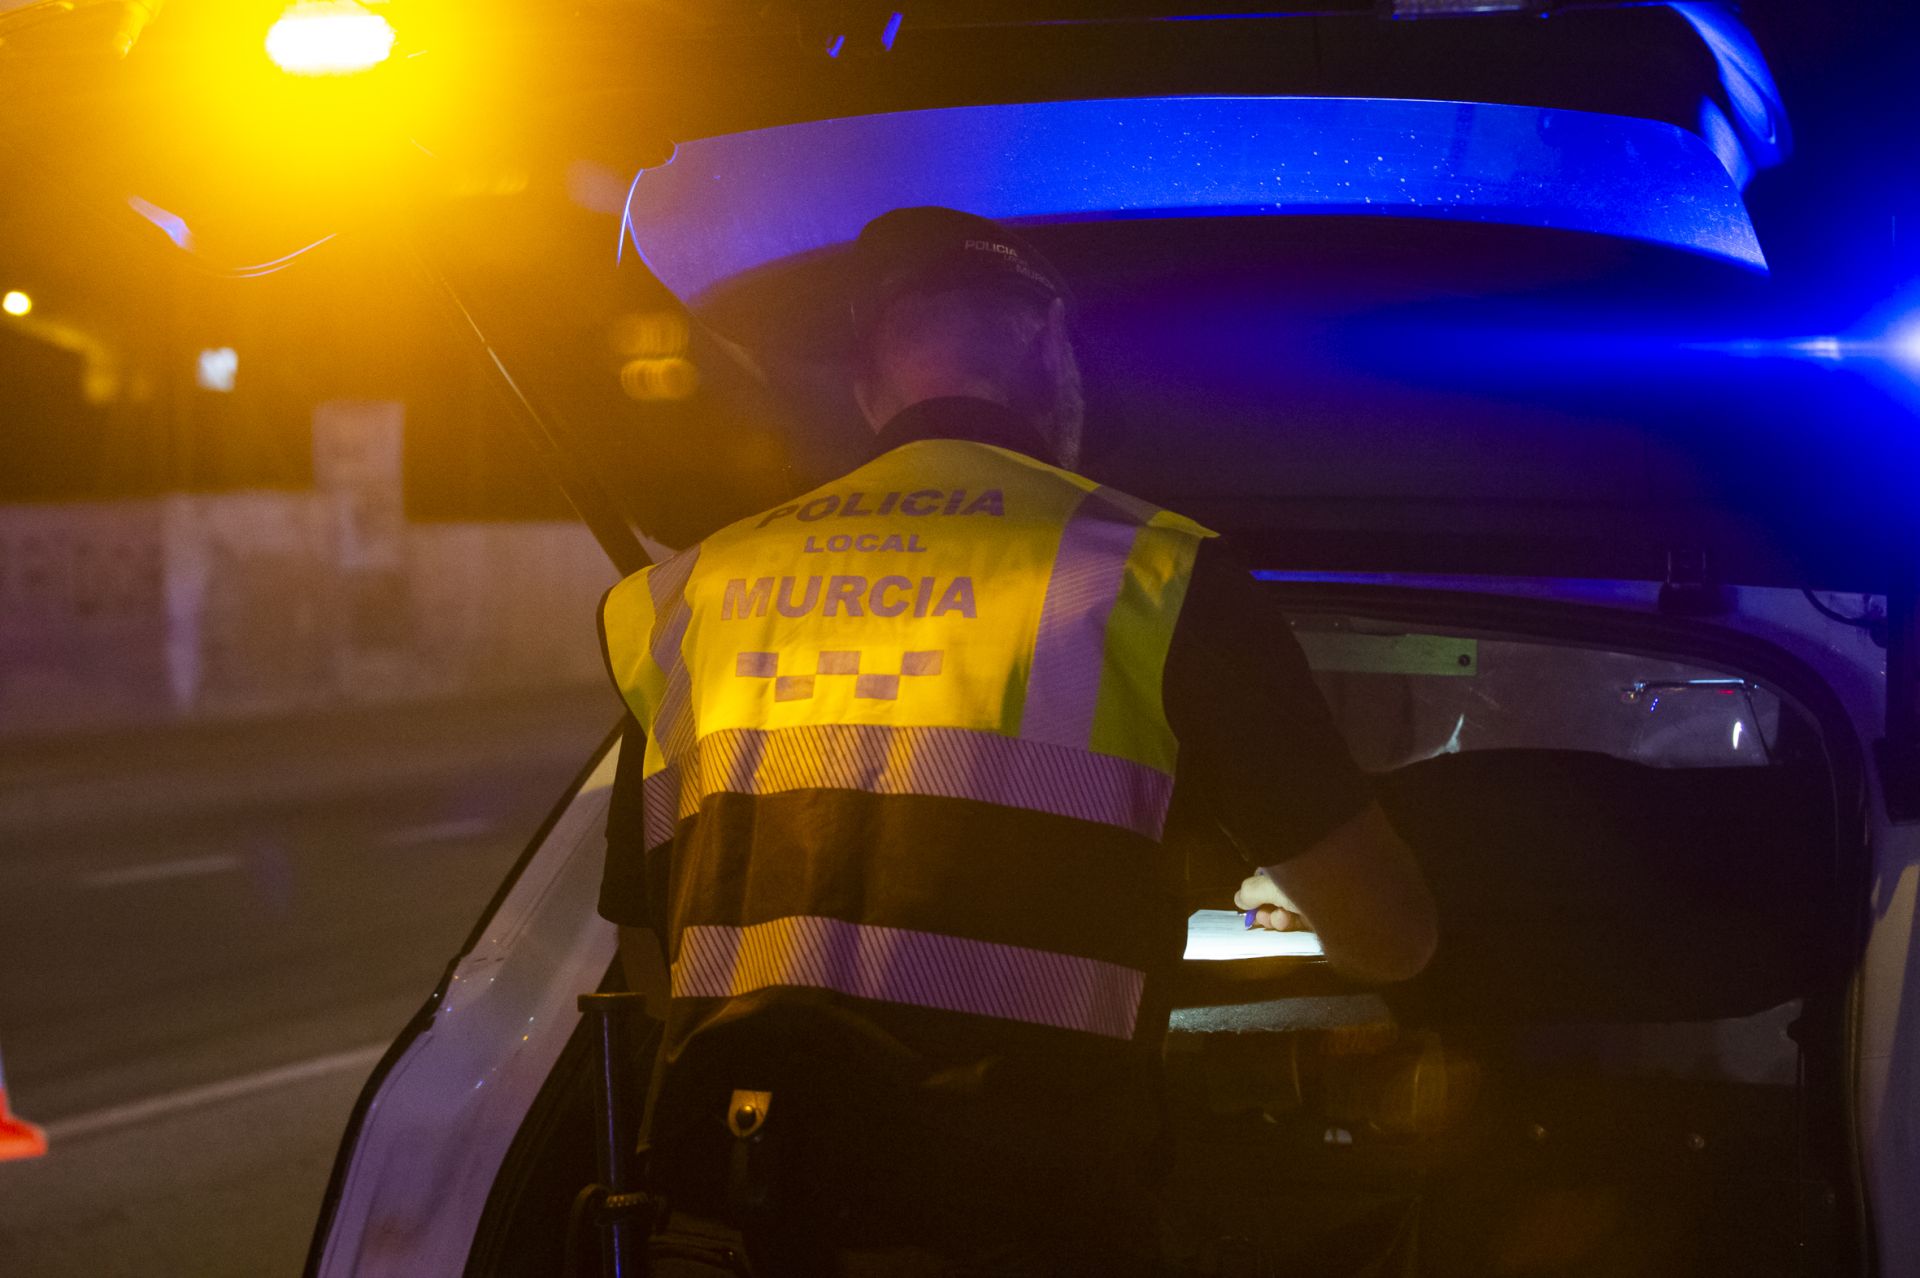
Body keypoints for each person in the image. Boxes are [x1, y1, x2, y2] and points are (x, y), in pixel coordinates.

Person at [595, 206, 1437, 1275]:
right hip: (1017, 1224)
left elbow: (646, 960)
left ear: (867, 386)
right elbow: (1389, 939)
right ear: (1056, 363)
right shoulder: (1149, 576)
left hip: (739, 1219)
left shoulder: (694, 591)